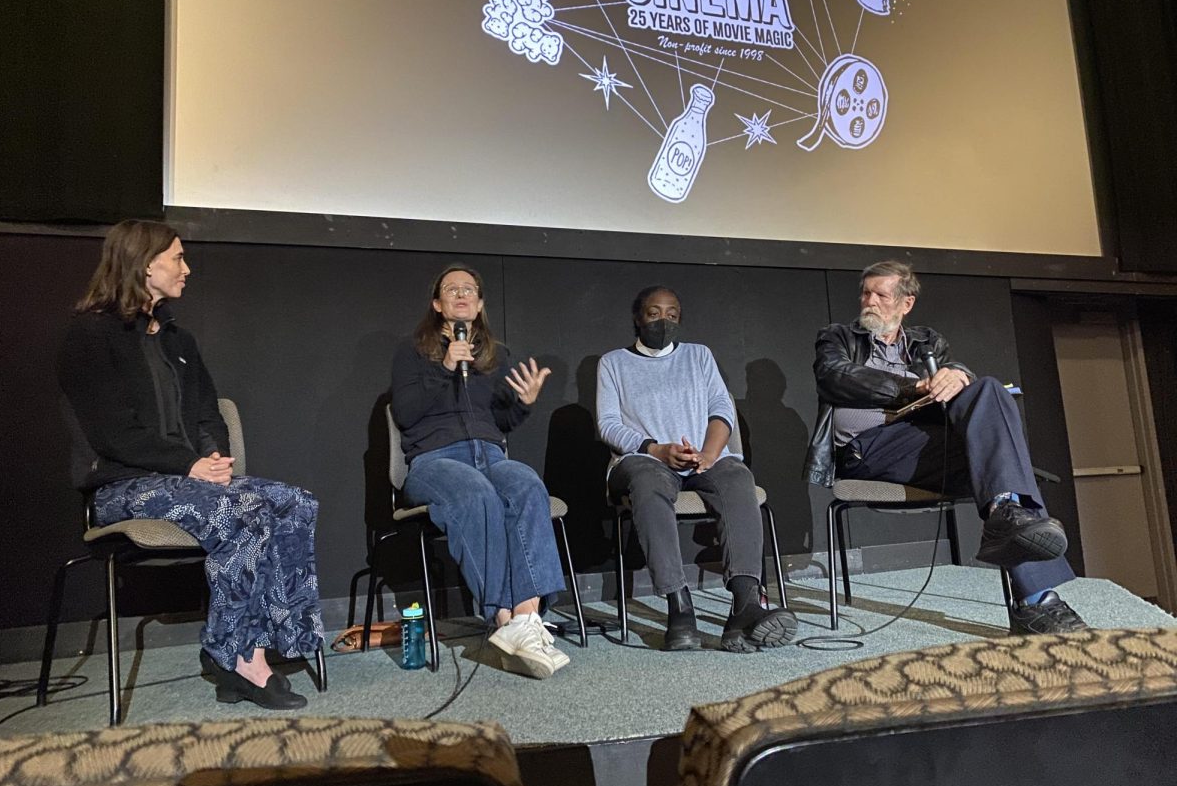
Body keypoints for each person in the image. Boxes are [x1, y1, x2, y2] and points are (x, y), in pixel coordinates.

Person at [57, 220, 325, 710]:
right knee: (238, 511)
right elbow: (114, 435)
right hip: (124, 486)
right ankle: (239, 658)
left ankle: (276, 641)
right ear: (144, 265)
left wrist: (215, 457)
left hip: (187, 478)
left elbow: (207, 413)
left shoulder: (178, 341)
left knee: (295, 502)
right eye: (178, 258)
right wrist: (190, 465)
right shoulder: (90, 336)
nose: (188, 268)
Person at [804, 260, 1087, 634]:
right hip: (867, 449)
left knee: (986, 391)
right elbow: (835, 377)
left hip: (923, 446)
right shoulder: (838, 337)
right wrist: (913, 388)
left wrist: (957, 375)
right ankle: (1036, 600)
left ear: (906, 303)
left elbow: (952, 375)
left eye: (881, 294)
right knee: (997, 464)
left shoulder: (926, 343)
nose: (869, 301)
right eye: (865, 292)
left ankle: (1008, 519)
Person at [390, 265, 569, 679]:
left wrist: (523, 402)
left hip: (490, 456)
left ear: (480, 303)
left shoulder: (496, 355)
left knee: (526, 484)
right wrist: (445, 367)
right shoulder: (411, 351)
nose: (461, 295)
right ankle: (503, 620)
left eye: (469, 289)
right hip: (435, 461)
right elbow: (405, 414)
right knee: (476, 494)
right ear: (437, 304)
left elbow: (502, 422)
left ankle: (528, 619)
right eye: (451, 290)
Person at [596, 286, 798, 652]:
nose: (663, 321)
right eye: (654, 313)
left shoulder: (698, 356)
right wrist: (656, 450)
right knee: (646, 481)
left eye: (672, 314)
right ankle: (679, 605)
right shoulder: (613, 363)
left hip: (699, 458)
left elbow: (722, 408)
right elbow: (607, 424)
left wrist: (708, 454)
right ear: (638, 318)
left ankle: (745, 604)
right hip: (645, 459)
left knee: (737, 476)